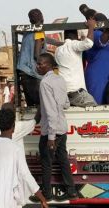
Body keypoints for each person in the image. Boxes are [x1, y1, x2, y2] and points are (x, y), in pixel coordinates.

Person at [36, 53, 77, 200]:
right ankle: (71, 191)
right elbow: (66, 103)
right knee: (63, 160)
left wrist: (51, 137)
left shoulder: (45, 83)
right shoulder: (60, 79)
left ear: (48, 65)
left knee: (46, 163)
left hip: (51, 131)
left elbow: (50, 111)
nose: (37, 66)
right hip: (62, 127)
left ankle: (46, 193)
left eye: (40, 64)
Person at [55, 19, 97, 107]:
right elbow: (89, 43)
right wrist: (91, 26)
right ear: (76, 36)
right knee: (94, 110)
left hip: (63, 93)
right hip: (76, 92)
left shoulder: (58, 50)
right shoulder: (73, 45)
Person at [17, 9, 47, 105]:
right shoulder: (39, 31)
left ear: (30, 21)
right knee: (39, 105)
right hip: (32, 74)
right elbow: (37, 55)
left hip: (24, 71)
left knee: (31, 105)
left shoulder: (28, 32)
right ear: (42, 17)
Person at [84, 15, 109, 105]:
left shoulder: (108, 42)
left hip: (104, 78)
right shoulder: (96, 33)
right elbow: (102, 41)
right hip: (98, 79)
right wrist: (107, 29)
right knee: (96, 107)